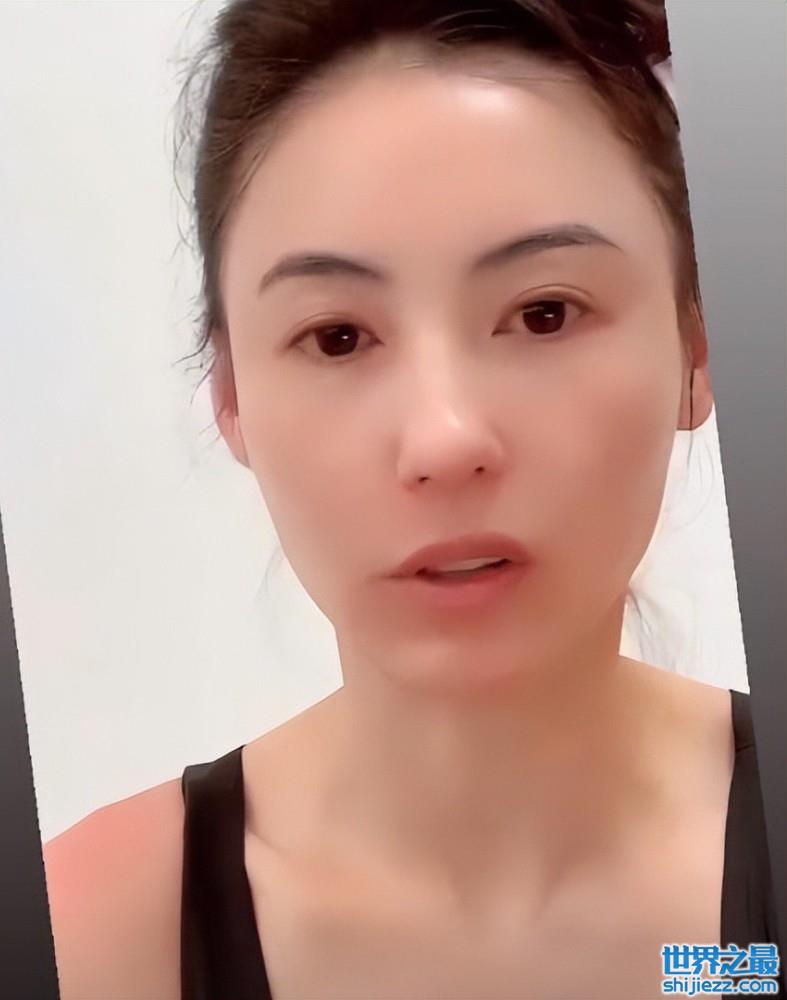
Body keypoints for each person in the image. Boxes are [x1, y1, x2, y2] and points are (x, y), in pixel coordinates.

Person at [42, 2, 781, 997]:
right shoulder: (95, 936)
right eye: (338, 337)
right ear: (231, 398)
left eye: (543, 312)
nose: (444, 439)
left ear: (695, 347)